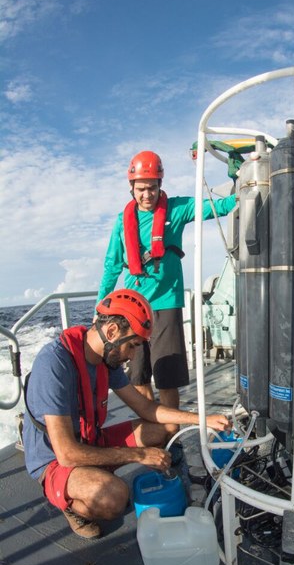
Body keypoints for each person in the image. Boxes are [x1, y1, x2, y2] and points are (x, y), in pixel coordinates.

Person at [22, 289, 231, 539]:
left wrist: (202, 420)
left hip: (90, 439)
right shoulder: (54, 364)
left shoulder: (106, 358)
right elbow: (67, 454)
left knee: (165, 429)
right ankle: (72, 505)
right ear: (111, 332)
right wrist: (139, 455)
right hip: (55, 459)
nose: (132, 356)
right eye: (132, 345)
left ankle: (97, 470)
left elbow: (147, 409)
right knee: (114, 498)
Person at [96, 150, 236, 421]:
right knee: (138, 375)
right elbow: (112, 265)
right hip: (131, 308)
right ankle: (153, 423)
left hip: (166, 304)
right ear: (131, 189)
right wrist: (102, 304)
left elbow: (219, 207)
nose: (146, 195)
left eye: (151, 188)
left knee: (167, 378)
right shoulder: (120, 222)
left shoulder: (177, 209)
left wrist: (249, 188)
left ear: (160, 185)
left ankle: (172, 432)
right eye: (140, 189)